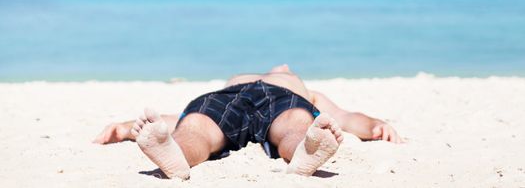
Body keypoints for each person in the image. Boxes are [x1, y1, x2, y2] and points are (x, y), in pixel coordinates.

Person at [94, 65, 403, 179]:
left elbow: (348, 119)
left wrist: (375, 125)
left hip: (230, 97)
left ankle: (306, 151)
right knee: (195, 127)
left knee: (195, 126)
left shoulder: (309, 94)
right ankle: (174, 153)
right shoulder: (299, 85)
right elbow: (345, 117)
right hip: (262, 97)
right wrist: (127, 128)